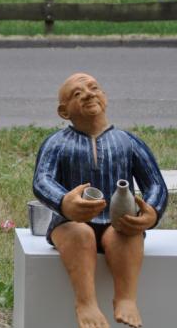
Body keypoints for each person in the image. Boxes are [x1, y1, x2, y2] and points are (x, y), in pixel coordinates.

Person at [33, 73, 168, 328]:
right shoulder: (56, 143)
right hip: (69, 222)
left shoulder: (128, 142)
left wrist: (151, 211)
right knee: (80, 234)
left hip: (118, 220)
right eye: (77, 93)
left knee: (127, 235)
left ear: (104, 96)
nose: (88, 94)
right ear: (64, 112)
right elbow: (42, 181)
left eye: (93, 88)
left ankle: (126, 298)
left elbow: (155, 184)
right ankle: (85, 302)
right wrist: (64, 202)